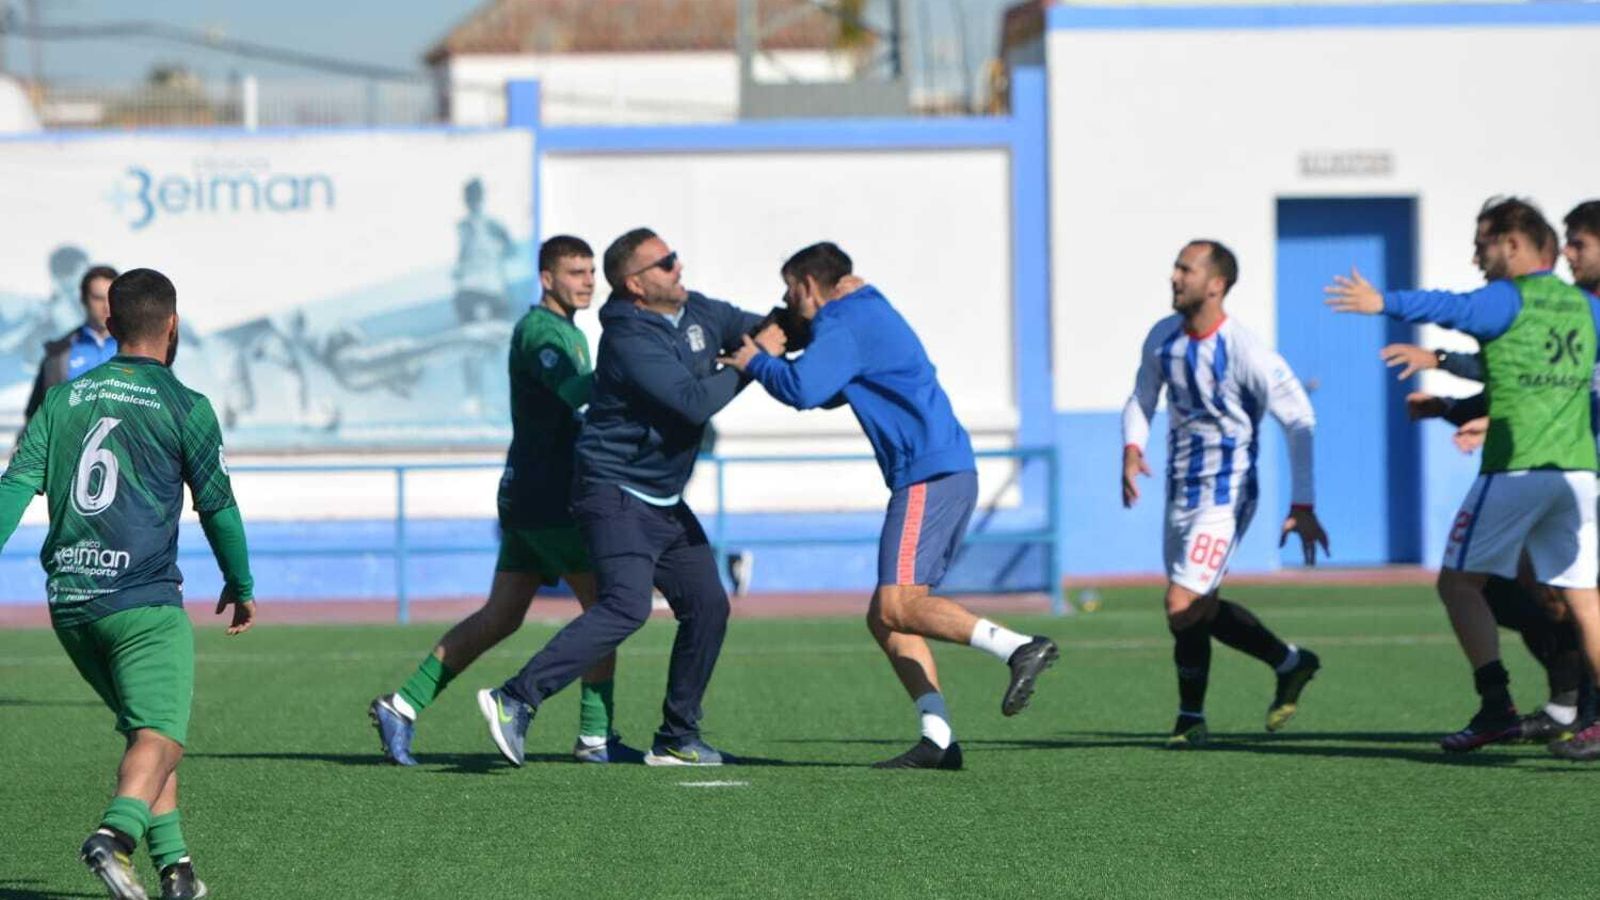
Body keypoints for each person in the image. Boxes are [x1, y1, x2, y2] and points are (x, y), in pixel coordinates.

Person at [720, 242, 1059, 770]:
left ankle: (1016, 647)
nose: (788, 303)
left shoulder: (843, 320)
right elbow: (829, 389)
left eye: (790, 291)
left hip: (928, 474)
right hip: (945, 471)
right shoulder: (865, 311)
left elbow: (805, 391)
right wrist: (780, 361)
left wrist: (756, 361)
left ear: (808, 285)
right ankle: (938, 740)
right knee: (886, 617)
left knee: (897, 605)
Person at [0, 268, 256, 900]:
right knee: (161, 737)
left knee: (147, 732)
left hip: (70, 603)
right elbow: (218, 507)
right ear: (173, 325)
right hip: (142, 603)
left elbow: (13, 488)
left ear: (111, 324)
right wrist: (240, 581)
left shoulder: (62, 400)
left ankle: (177, 870)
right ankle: (114, 837)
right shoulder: (186, 405)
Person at [476, 228, 773, 768]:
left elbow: (766, 329)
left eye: (675, 257)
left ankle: (677, 738)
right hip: (613, 492)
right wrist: (752, 366)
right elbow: (692, 403)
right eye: (665, 263)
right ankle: (515, 698)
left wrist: (821, 319)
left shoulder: (700, 312)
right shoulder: (627, 336)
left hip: (662, 497)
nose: (678, 267)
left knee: (708, 605)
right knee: (625, 606)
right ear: (636, 283)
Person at [1325, 197, 1600, 757]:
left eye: (1483, 245)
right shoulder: (1584, 306)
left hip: (1518, 470)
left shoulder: (1509, 297)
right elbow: (1525, 373)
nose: (1478, 258)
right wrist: (1460, 403)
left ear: (1514, 244)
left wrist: (1383, 302)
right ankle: (1569, 705)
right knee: (1584, 600)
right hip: (1577, 473)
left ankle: (1495, 706)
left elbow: (1451, 307)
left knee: (1457, 584)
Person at [370, 236, 639, 765]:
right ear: (546, 278)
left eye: (591, 272)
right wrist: (639, 366)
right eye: (576, 272)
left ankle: (402, 705)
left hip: (528, 492)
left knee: (502, 615)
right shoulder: (541, 331)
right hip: (549, 495)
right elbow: (576, 392)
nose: (588, 281)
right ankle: (595, 735)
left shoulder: (567, 330)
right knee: (607, 608)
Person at [1121, 240, 1328, 749]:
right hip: (1179, 493)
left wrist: (1302, 504)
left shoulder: (1245, 351)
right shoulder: (1163, 337)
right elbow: (1142, 397)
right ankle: (1290, 663)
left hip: (1226, 496)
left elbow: (1299, 418)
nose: (1174, 277)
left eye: (1185, 270)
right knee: (1199, 607)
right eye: (1175, 268)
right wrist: (1131, 448)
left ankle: (1189, 718)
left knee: (1180, 602)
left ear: (1216, 284)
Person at [23, 264, 119, 423]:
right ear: (83, 300)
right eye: (98, 298)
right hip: (69, 437)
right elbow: (34, 416)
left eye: (111, 298)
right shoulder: (58, 353)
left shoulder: (140, 349)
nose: (106, 306)